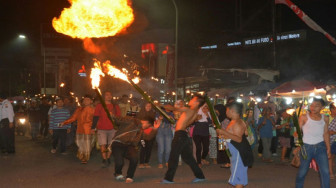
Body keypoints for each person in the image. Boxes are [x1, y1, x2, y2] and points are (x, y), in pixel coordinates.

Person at [161, 94, 206, 184]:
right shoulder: (195, 113)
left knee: (173, 156)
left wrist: (159, 105)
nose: (191, 99)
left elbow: (173, 108)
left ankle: (168, 178)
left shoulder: (188, 110)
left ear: (196, 102)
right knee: (188, 158)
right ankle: (200, 176)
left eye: (193, 99)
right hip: (183, 135)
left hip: (180, 135)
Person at [112, 115, 159, 183]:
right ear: (146, 122)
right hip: (118, 143)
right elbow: (118, 120)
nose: (147, 127)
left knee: (134, 158)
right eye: (148, 126)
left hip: (129, 146)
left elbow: (148, 137)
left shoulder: (140, 131)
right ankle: (118, 173)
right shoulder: (131, 120)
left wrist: (155, 129)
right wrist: (113, 116)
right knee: (119, 162)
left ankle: (129, 176)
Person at [295, 98, 331, 188]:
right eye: (312, 105)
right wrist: (297, 138)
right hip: (306, 148)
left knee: (326, 172)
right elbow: (297, 133)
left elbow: (326, 134)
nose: (313, 107)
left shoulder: (325, 118)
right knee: (302, 172)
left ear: (322, 107)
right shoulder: (304, 117)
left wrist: (328, 148)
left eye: (316, 106)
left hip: (321, 147)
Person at [216, 102, 253, 188]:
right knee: (238, 176)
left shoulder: (238, 123)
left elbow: (239, 139)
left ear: (232, 111)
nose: (226, 112)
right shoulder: (235, 121)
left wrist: (224, 132)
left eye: (227, 110)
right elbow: (246, 134)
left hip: (239, 153)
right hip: (235, 153)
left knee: (239, 178)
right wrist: (223, 134)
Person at [61, 95, 95, 164]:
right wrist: (64, 122)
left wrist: (94, 128)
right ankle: (82, 155)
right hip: (79, 129)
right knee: (79, 143)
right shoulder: (79, 109)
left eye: (88, 99)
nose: (86, 101)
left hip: (88, 130)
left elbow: (96, 120)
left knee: (87, 144)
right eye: (85, 100)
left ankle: (85, 158)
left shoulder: (93, 110)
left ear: (91, 101)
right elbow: (73, 118)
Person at [92, 91, 121, 167]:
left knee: (110, 144)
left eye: (110, 95)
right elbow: (96, 117)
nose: (108, 96)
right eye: (107, 95)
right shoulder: (100, 105)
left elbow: (119, 117)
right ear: (104, 97)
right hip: (101, 128)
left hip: (112, 128)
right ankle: (104, 159)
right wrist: (93, 127)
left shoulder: (115, 106)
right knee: (103, 144)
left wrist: (113, 116)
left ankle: (108, 157)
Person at [137, 102, 156, 168]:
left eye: (149, 106)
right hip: (143, 135)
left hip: (151, 134)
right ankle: (141, 162)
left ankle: (146, 162)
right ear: (144, 107)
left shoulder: (153, 114)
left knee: (149, 148)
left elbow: (154, 124)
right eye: (147, 106)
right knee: (143, 147)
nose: (148, 107)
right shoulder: (140, 114)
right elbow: (138, 124)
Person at [328, 103, 336, 179]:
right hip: (330, 140)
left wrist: (334, 132)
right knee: (330, 156)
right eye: (334, 108)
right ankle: (330, 173)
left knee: (332, 156)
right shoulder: (327, 118)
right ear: (331, 109)